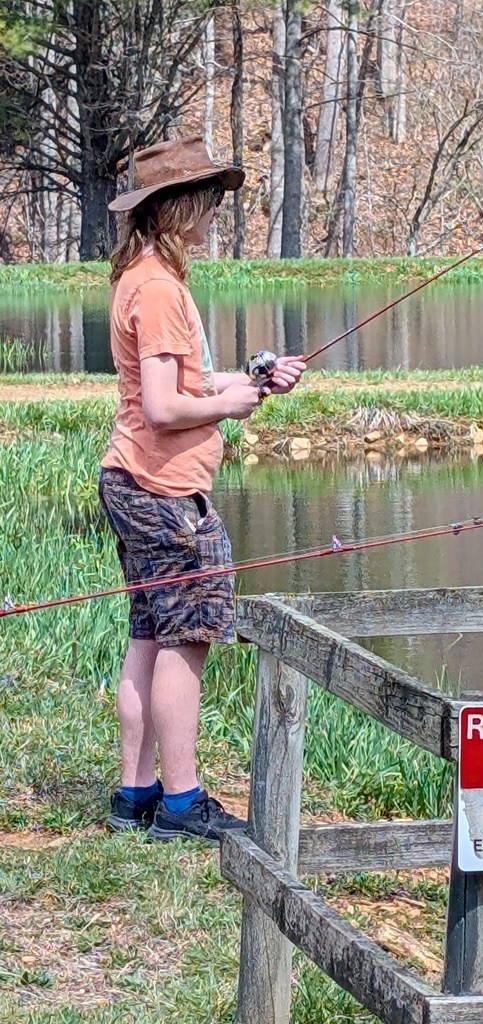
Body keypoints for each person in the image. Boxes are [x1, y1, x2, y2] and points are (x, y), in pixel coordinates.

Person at [100, 137, 306, 844]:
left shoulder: (141, 275)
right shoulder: (159, 289)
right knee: (184, 642)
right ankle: (182, 806)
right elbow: (162, 407)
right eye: (211, 199)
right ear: (178, 206)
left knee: (149, 639)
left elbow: (180, 384)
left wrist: (253, 380)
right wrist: (227, 406)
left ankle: (137, 794)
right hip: (162, 488)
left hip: (133, 479)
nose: (217, 212)